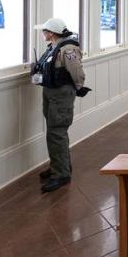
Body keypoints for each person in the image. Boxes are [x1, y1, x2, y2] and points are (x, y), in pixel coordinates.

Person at [31, 17, 88, 193]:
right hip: (51, 92)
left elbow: (77, 71)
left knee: (57, 132)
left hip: (61, 95)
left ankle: (61, 173)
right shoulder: (53, 47)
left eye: (44, 31)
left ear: (51, 33)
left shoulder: (68, 49)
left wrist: (78, 87)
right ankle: (59, 165)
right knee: (54, 132)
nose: (42, 34)